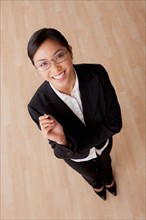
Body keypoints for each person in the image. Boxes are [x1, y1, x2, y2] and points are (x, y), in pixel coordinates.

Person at [27, 28, 122, 201]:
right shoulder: (37, 106)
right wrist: (62, 141)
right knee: (90, 175)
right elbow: (59, 151)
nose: (55, 68)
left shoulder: (97, 74)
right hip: (77, 158)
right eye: (43, 64)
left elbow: (115, 123)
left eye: (59, 56)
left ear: (70, 51)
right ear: (37, 69)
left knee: (105, 163)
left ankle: (108, 179)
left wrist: (74, 145)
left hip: (101, 144)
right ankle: (97, 185)